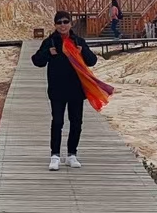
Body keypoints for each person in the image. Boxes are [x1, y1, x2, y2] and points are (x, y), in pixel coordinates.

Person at [32, 11, 109, 171]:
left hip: (76, 90)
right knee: (57, 122)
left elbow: (92, 61)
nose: (62, 25)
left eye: (65, 21)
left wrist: (83, 52)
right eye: (59, 22)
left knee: (76, 123)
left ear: (70, 24)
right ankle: (55, 156)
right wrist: (48, 53)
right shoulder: (50, 42)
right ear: (55, 25)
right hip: (57, 90)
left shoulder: (78, 41)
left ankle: (72, 155)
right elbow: (37, 61)